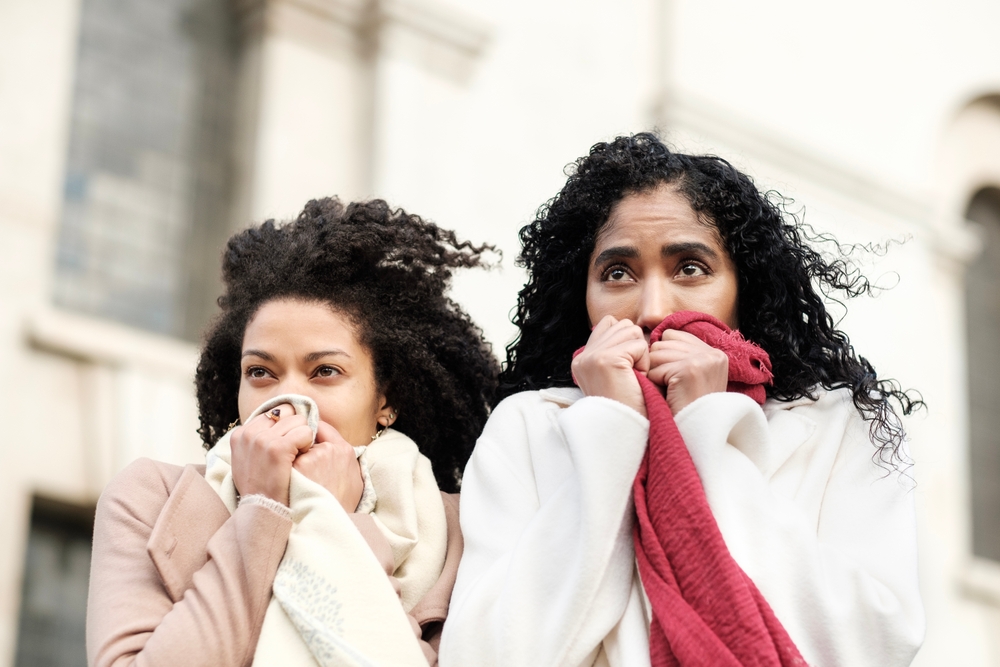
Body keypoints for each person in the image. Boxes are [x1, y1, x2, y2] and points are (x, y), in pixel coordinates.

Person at [438, 133, 925, 667]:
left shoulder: (835, 426)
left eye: (690, 268)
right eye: (617, 273)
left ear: (746, 287)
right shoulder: (528, 427)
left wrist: (705, 427)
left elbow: (874, 641)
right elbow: (486, 653)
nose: (650, 309)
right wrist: (613, 426)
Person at [86, 197, 499, 667]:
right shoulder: (149, 499)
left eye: (324, 371)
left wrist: (338, 524)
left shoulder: (459, 532)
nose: (286, 400)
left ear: (385, 399)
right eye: (260, 372)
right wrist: (262, 510)